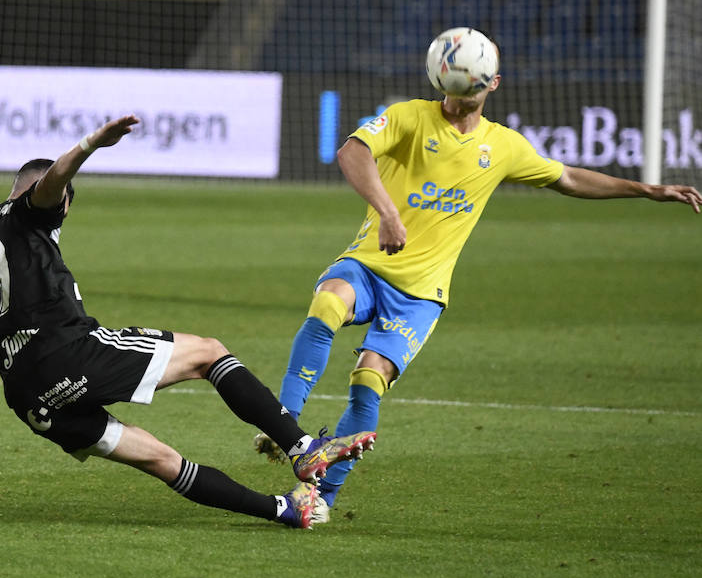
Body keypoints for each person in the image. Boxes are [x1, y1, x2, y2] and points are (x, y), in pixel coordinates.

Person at [0, 115, 376, 530]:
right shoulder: (33, 209)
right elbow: (54, 179)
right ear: (51, 200)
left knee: (160, 458)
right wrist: (91, 144)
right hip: (69, 352)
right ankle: (303, 449)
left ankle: (284, 510)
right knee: (209, 352)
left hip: (28, 397)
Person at [255, 27, 702, 524]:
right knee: (328, 302)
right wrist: (388, 212)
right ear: (441, 76)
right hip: (369, 263)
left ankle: (321, 498)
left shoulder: (503, 146)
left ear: (494, 84)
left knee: (368, 382)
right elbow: (351, 152)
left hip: (422, 295)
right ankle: (284, 426)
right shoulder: (408, 116)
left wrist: (648, 190)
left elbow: (569, 177)